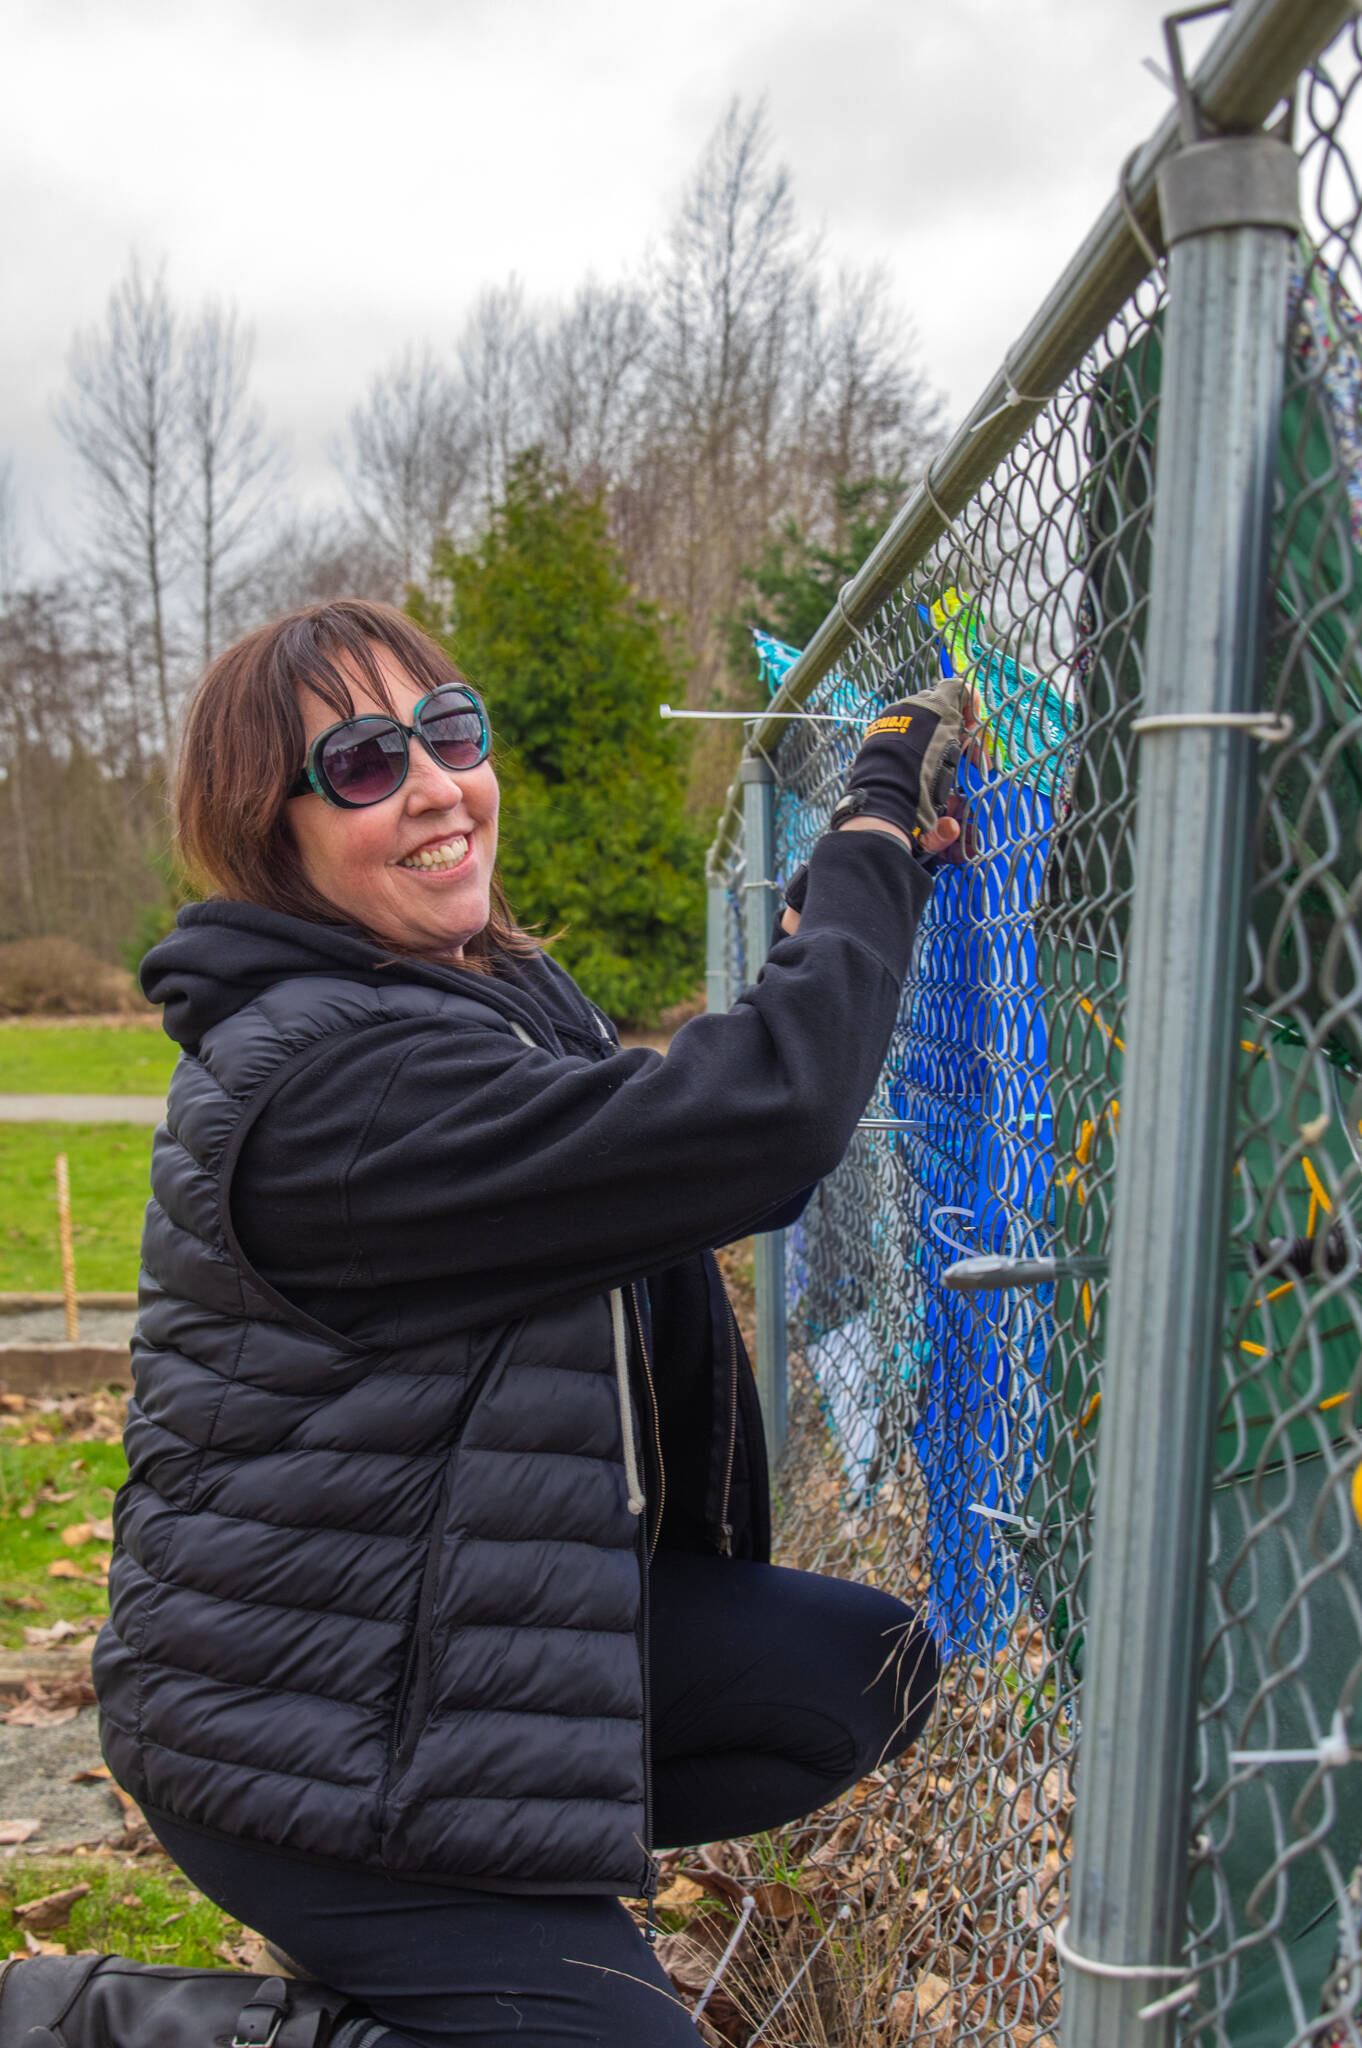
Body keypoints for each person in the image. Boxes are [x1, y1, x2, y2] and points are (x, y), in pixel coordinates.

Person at [93, 599, 965, 2048]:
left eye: (449, 732)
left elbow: (664, 1124)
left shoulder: (462, 1000)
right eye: (365, 765)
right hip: (295, 1740)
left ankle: (508, 1892)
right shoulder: (331, 1097)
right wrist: (875, 835)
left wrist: (832, 922)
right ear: (275, 829)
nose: (436, 784)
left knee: (848, 1673)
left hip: (409, 1648)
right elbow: (755, 1122)